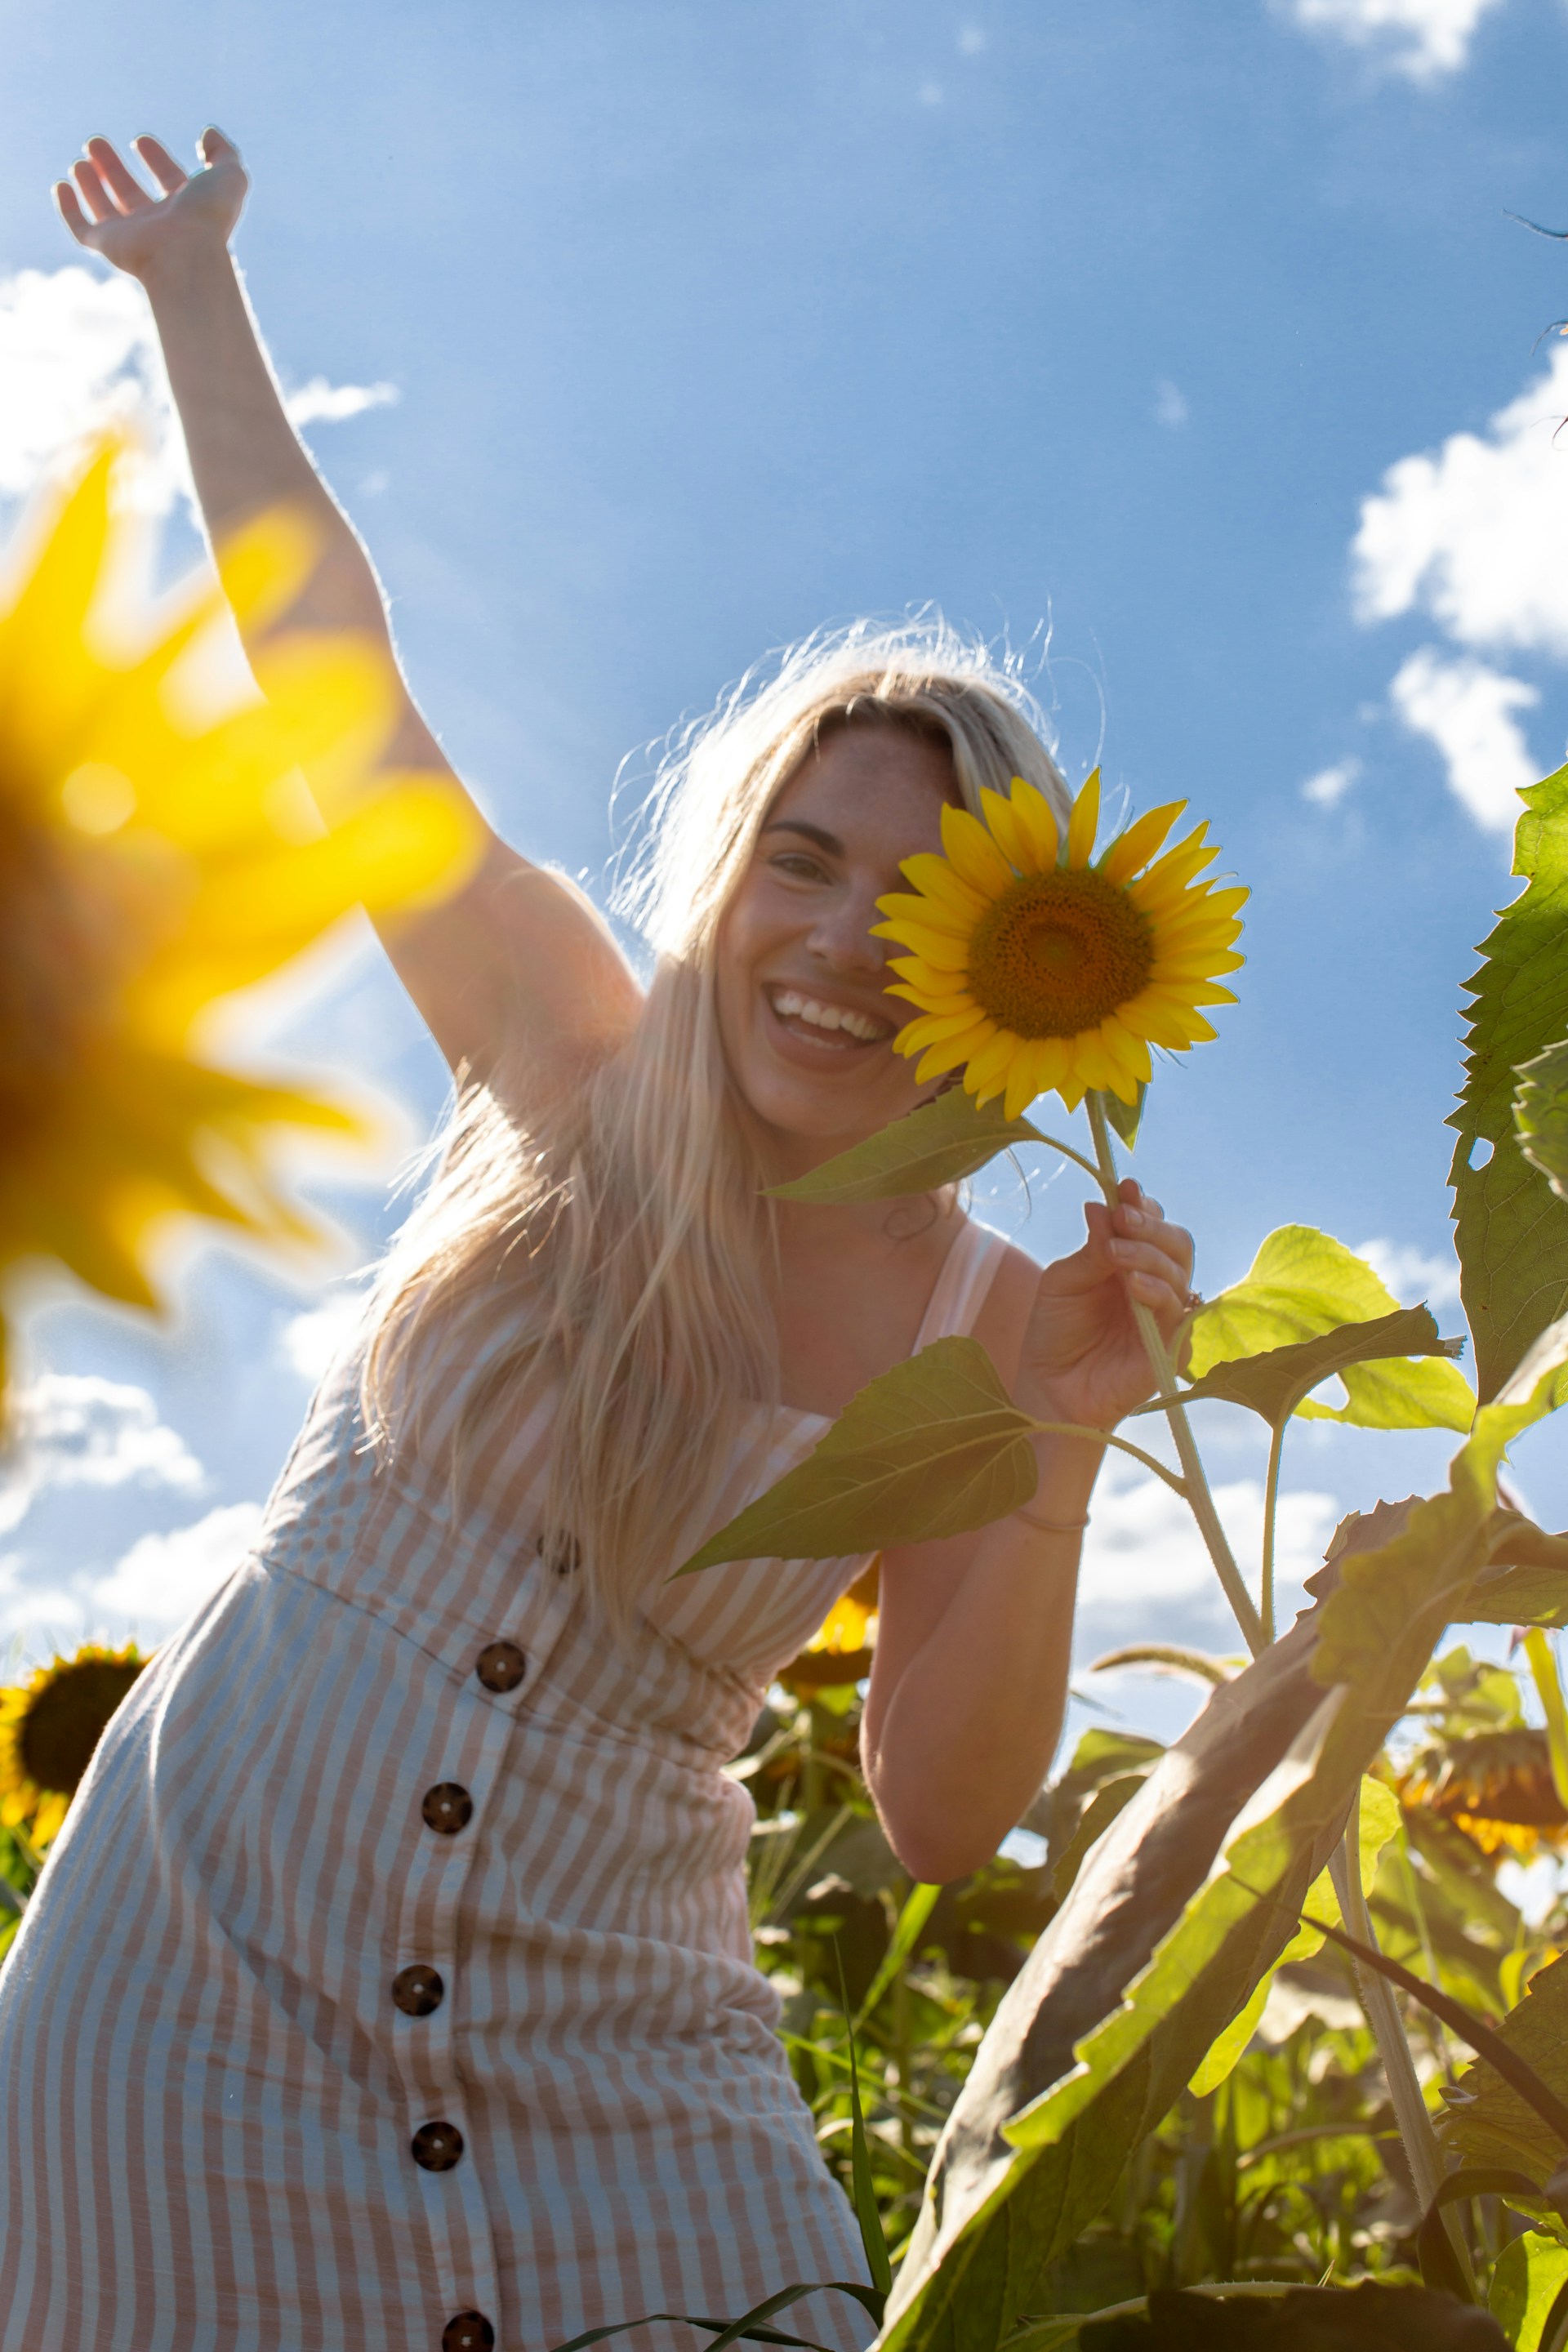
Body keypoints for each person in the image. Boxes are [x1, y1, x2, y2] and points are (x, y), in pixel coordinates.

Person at [0, 127, 1196, 2352]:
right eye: (802, 859)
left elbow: (939, 1816)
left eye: (918, 893)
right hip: (186, 1983)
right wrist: (187, 292)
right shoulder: (562, 1045)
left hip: (622, 2056)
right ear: (730, 865)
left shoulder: (997, 1321)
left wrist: (1064, 1445)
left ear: (1009, 949)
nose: (841, 941)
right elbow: (327, 677)